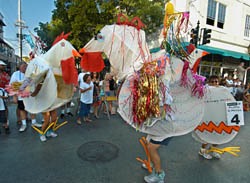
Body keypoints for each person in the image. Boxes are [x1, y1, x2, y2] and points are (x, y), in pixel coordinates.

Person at [9, 62, 41, 132]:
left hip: (31, 95)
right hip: (21, 96)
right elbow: (12, 85)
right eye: (23, 66)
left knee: (32, 109)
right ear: (19, 67)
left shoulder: (31, 73)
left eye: (26, 66)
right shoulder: (16, 74)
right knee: (22, 109)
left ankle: (34, 122)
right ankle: (24, 124)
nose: (25, 68)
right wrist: (14, 97)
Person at [198, 75, 222, 159]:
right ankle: (202, 151)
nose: (214, 83)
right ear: (209, 82)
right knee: (207, 135)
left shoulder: (222, 91)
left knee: (217, 135)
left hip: (218, 116)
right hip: (207, 116)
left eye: (216, 81)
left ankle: (213, 150)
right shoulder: (205, 90)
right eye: (212, 81)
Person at [0, 61, 10, 126]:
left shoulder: (6, 75)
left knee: (5, 107)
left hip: (3, 92)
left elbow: (8, 84)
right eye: (2, 65)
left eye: (4, 66)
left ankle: (5, 120)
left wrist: (8, 94)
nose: (3, 67)